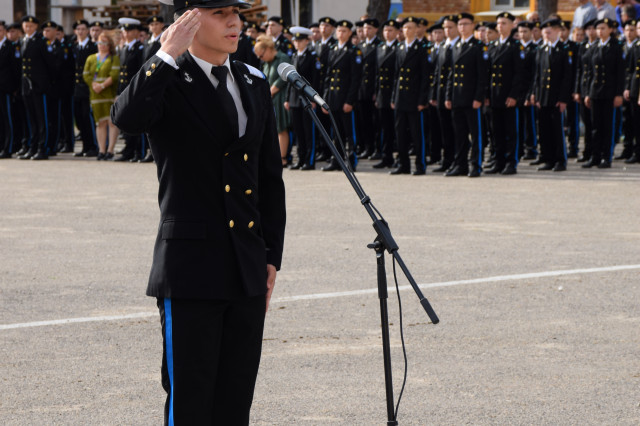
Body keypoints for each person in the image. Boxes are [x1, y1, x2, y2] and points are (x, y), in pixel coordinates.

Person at [111, 1, 286, 424]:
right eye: (219, 12)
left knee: (234, 403)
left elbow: (268, 178)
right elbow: (127, 118)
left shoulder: (252, 79)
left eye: (236, 12)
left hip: (245, 265)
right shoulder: (167, 78)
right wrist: (166, 53)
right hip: (191, 269)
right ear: (186, 20)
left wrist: (270, 255)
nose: (234, 21)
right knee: (190, 404)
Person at [445, 12, 489, 177]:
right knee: (460, 133)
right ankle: (460, 164)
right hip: (457, 97)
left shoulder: (478, 47)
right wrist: (448, 95)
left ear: (472, 26)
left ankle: (475, 165)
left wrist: (478, 97)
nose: (462, 27)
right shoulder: (456, 46)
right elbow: (452, 74)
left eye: (466, 24)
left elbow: (482, 76)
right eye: (460, 24)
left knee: (475, 134)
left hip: (471, 98)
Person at [486, 12, 526, 175]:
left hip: (508, 95)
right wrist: (486, 95)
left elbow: (519, 74)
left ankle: (511, 162)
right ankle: (498, 161)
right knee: (496, 131)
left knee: (510, 131)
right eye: (498, 23)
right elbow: (488, 72)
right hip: (494, 95)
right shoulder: (492, 46)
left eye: (504, 23)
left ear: (511, 26)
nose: (500, 26)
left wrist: (514, 95)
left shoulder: (516, 46)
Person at [582, 17, 624, 168]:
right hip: (595, 91)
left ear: (610, 30)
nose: (600, 31)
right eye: (598, 28)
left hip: (609, 92)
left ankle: (607, 157)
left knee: (607, 126)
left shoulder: (616, 47)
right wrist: (587, 93)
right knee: (595, 126)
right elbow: (589, 72)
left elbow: (620, 73)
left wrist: (618, 94)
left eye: (603, 28)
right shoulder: (594, 47)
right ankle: (595, 156)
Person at [321, 19, 363, 172]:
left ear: (350, 33)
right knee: (336, 132)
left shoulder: (354, 51)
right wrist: (325, 99)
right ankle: (336, 160)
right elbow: (328, 76)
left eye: (344, 31)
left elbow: (355, 79)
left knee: (349, 132)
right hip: (333, 97)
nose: (341, 33)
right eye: (339, 30)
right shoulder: (332, 49)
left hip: (345, 98)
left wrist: (350, 101)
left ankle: (351, 160)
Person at [389, 16, 429, 175]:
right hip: (401, 96)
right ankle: (403, 164)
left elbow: (425, 76)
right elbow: (396, 75)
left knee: (417, 134)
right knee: (400, 133)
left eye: (411, 27)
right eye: (405, 28)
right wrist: (394, 97)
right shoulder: (399, 47)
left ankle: (420, 165)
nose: (407, 30)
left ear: (417, 29)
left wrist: (422, 100)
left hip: (414, 97)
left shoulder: (421, 48)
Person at [530, 18, 571, 172]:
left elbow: (567, 77)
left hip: (556, 97)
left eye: (550, 32)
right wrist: (535, 94)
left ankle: (560, 160)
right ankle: (548, 158)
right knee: (544, 129)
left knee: (557, 130)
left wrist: (563, 99)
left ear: (557, 31)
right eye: (545, 32)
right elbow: (537, 74)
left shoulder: (564, 49)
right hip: (543, 96)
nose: (547, 35)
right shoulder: (541, 49)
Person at [284, 27, 320, 170]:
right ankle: (300, 159)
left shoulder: (312, 57)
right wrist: (287, 98)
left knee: (308, 131)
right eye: (295, 40)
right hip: (294, 98)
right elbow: (290, 79)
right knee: (298, 131)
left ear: (306, 41)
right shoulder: (294, 56)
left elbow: (316, 80)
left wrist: (314, 99)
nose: (296, 43)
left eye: (300, 41)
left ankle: (309, 161)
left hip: (307, 98)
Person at [253, 35, 291, 166]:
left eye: (261, 55)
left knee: (281, 128)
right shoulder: (267, 62)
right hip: (269, 99)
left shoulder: (282, 58)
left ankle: (282, 158)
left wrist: (271, 90)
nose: (260, 58)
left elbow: (283, 78)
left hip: (279, 97)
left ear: (268, 49)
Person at [84, 33, 120, 160]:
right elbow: (86, 74)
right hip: (95, 95)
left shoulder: (113, 58)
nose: (102, 45)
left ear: (109, 45)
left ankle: (110, 150)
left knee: (111, 122)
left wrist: (103, 85)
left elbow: (114, 75)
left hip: (109, 94)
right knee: (100, 123)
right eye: (100, 43)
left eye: (105, 43)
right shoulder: (91, 58)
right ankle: (101, 150)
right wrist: (94, 85)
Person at [373, 19, 400, 169]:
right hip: (383, 94)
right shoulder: (381, 48)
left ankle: (399, 157)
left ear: (397, 32)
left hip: (394, 92)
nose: (387, 33)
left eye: (391, 30)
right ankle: (386, 156)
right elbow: (377, 73)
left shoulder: (399, 48)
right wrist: (377, 93)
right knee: (384, 127)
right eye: (385, 30)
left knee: (397, 128)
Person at [72, 19, 98, 157]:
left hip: (88, 87)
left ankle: (93, 146)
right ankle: (85, 146)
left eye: (83, 29)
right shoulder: (74, 46)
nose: (80, 31)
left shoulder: (93, 47)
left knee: (88, 117)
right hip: (76, 88)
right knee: (79, 118)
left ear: (87, 31)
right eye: (78, 29)